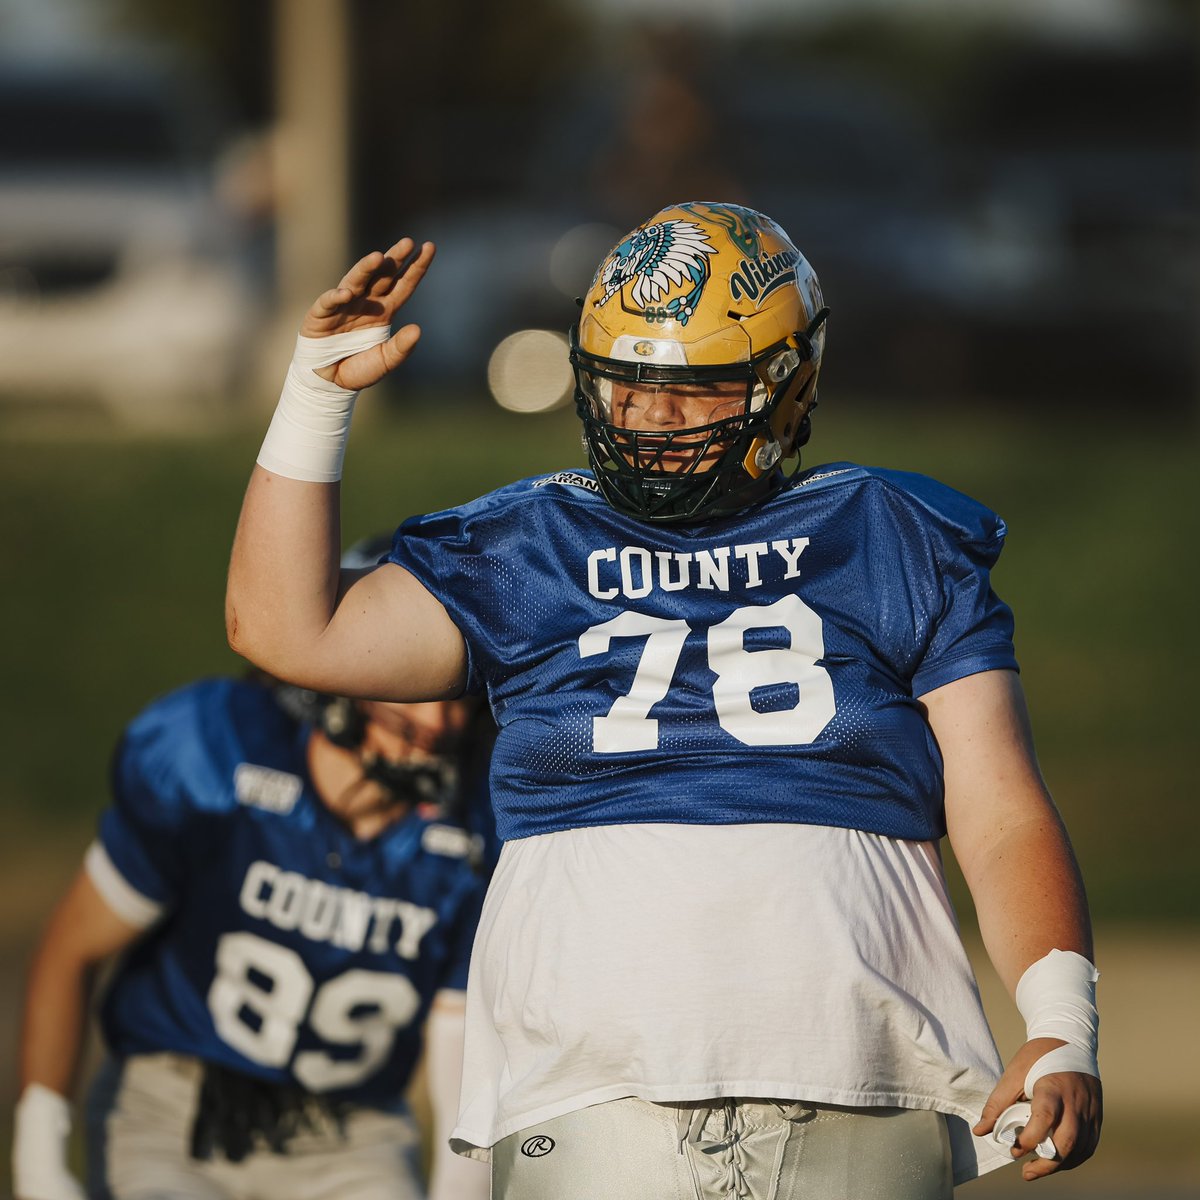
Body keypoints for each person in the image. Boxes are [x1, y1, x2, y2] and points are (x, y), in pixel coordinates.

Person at [223, 202, 1101, 1199]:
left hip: (860, 1068)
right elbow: (284, 629)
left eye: (698, 389)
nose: (653, 417)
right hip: (591, 1082)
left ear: (791, 385)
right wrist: (312, 393)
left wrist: (1062, 1020)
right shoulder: (526, 542)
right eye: (628, 386)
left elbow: (998, 810)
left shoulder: (889, 532)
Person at [13, 658, 493, 1200]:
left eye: (459, 697)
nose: (440, 723)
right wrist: (40, 1157)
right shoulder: (219, 755)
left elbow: (460, 1039)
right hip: (170, 1111)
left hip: (352, 1138)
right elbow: (70, 951)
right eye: (412, 687)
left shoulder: (479, 830)